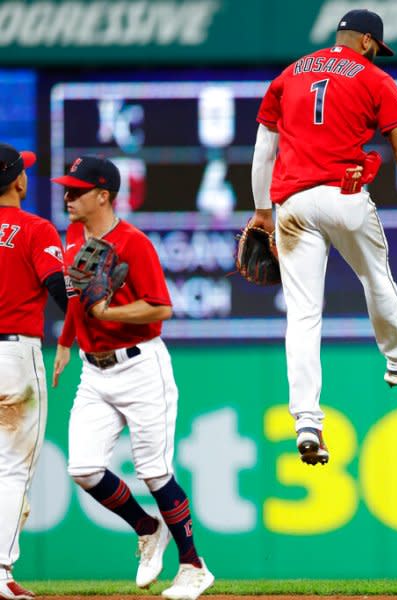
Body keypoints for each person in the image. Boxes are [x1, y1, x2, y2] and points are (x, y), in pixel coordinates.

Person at [247, 8, 397, 466]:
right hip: (344, 194)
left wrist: (261, 212)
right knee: (376, 278)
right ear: (368, 42)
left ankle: (306, 421)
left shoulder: (290, 74)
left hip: (292, 205)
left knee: (303, 316)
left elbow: (263, 149)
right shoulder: (374, 78)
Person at [51, 157, 214, 600]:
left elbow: (160, 307)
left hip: (141, 366)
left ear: (103, 195)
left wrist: (110, 313)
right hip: (93, 369)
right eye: (67, 189)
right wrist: (66, 342)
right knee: (83, 468)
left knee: (155, 472)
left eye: (77, 191)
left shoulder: (134, 243)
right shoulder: (71, 236)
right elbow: (76, 301)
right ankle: (146, 527)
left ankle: (194, 567)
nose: (68, 197)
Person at [0, 144, 67, 600]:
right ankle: (0, 570)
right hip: (14, 359)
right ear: (18, 181)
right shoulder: (34, 228)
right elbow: (63, 291)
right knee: (12, 469)